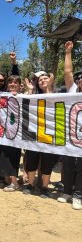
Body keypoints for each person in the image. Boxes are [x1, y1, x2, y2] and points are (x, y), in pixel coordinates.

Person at [22, 72, 59, 198]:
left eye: (45, 78)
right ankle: (31, 185)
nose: (42, 81)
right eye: (40, 80)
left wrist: (49, 87)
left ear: (51, 80)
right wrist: (30, 90)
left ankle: (44, 187)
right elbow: (27, 105)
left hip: (50, 133)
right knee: (32, 160)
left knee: (47, 162)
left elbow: (51, 102)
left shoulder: (60, 94)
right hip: (34, 132)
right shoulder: (35, 95)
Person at [57, 41, 82, 209]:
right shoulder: (72, 90)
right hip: (70, 136)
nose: (80, 81)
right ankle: (67, 191)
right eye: (80, 79)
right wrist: (68, 52)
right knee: (67, 164)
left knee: (81, 166)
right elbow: (68, 72)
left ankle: (78, 195)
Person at [0, 75, 23, 192]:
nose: (12, 84)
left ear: (19, 85)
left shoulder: (22, 97)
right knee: (4, 155)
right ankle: (7, 179)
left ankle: (14, 183)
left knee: (13, 156)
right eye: (10, 82)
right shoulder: (3, 96)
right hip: (4, 133)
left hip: (17, 134)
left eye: (15, 83)